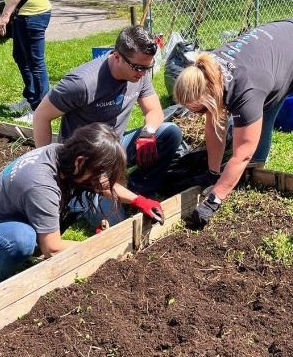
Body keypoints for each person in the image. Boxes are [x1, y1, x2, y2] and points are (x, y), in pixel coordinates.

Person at [173, 17, 293, 228]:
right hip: (281, 55)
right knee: (256, 120)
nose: (199, 115)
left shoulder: (246, 89)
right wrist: (213, 174)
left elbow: (242, 152)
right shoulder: (207, 71)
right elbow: (214, 125)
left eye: (200, 109)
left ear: (211, 96)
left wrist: (214, 200)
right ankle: (257, 174)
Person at [33, 25, 182, 224]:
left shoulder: (139, 74)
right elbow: (41, 116)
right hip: (87, 162)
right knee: (117, 225)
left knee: (169, 133)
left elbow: (155, 111)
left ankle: (137, 189)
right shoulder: (82, 83)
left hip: (116, 148)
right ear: (117, 56)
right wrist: (49, 170)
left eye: (149, 67)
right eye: (139, 68)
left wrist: (149, 131)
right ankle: (88, 195)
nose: (144, 74)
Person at [0, 123, 127, 286]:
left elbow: (103, 186)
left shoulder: (60, 153)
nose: (98, 179)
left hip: (12, 220)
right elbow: (53, 249)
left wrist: (139, 200)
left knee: (76, 201)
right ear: (80, 162)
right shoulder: (42, 184)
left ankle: (29, 249)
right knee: (22, 239)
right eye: (97, 172)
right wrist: (99, 246)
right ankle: (1, 284)